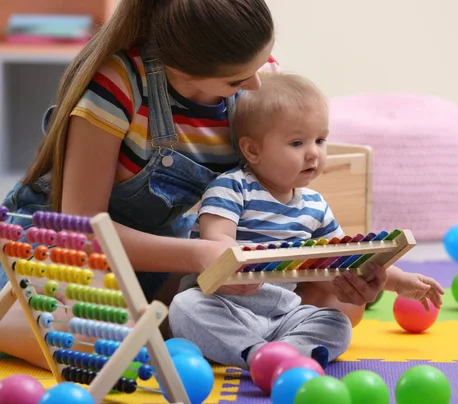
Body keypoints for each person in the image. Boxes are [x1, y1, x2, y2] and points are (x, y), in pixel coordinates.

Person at [0, 0, 391, 370]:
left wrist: (340, 272)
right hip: (65, 250)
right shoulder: (119, 84)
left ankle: (250, 347)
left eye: (261, 63)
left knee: (340, 302)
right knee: (89, 345)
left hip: (164, 250)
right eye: (237, 80)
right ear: (180, 70)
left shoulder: (257, 75)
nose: (255, 84)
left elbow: (276, 191)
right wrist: (202, 256)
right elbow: (84, 229)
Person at [169, 73, 445, 370]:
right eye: (297, 142)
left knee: (336, 323)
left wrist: (398, 281)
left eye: (320, 140)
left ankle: (281, 352)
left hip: (284, 315)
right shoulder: (232, 187)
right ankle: (256, 355)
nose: (314, 152)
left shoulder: (315, 205)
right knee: (185, 307)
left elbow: (346, 260)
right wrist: (239, 262)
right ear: (253, 150)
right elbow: (216, 240)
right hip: (225, 307)